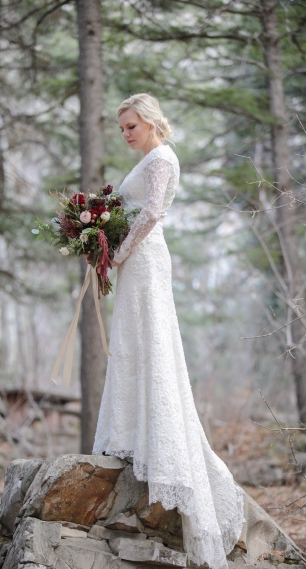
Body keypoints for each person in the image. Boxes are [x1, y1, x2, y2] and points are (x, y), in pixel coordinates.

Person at [91, 93, 245, 569]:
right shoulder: (148, 159)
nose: (126, 134)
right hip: (136, 261)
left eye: (131, 126)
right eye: (121, 128)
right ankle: (130, 430)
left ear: (151, 122)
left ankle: (159, 442)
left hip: (145, 259)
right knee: (132, 344)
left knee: (151, 342)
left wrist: (118, 253)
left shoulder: (161, 159)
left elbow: (153, 212)